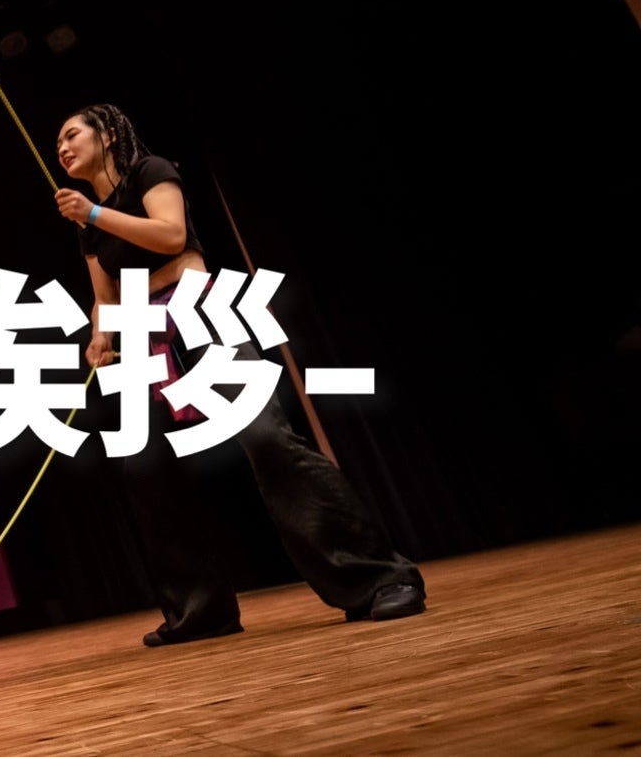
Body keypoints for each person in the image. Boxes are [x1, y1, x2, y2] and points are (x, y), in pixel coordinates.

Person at [50, 104, 426, 647]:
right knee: (145, 467)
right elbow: (105, 296)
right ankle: (200, 611)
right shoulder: (88, 224)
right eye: (57, 144)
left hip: (197, 311)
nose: (62, 148)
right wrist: (99, 335)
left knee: (267, 438)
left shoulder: (151, 171)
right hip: (141, 333)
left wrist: (92, 214)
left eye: (71, 135)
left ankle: (379, 578)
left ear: (107, 134)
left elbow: (171, 237)